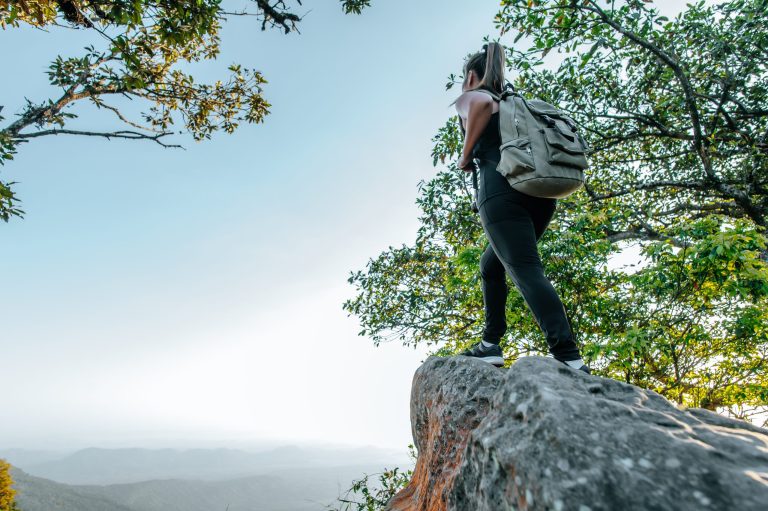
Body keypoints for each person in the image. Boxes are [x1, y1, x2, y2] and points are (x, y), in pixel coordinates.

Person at [452, 42, 591, 374]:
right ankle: (489, 345)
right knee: (492, 265)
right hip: (540, 195)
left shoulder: (475, 95)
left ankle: (569, 356)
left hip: (502, 192)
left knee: (526, 270)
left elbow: (480, 103)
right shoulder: (514, 106)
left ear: (471, 75)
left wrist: (465, 154)